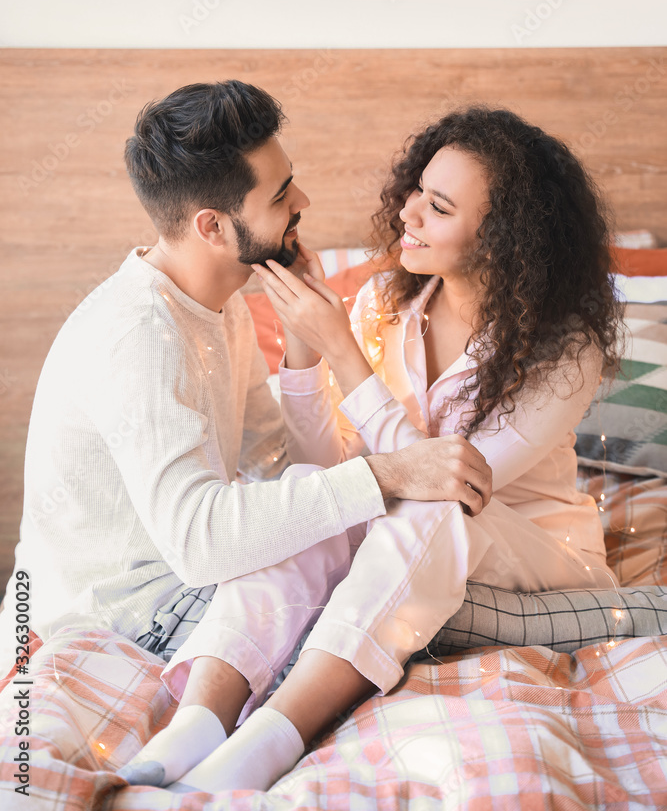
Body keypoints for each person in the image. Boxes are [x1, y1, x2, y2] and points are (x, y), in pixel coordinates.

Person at [0, 80, 491, 779]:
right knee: (385, 566)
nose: (302, 205)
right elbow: (203, 544)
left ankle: (214, 733)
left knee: (354, 532)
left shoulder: (218, 300)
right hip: (122, 613)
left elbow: (276, 464)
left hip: (180, 586)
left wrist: (303, 350)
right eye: (281, 194)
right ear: (211, 225)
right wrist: (387, 475)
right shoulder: (137, 335)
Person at [126, 105, 622, 796]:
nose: (408, 215)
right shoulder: (388, 304)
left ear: (504, 237)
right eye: (415, 191)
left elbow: (457, 483)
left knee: (432, 508)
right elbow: (331, 470)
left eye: (438, 207)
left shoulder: (567, 349)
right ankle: (201, 718)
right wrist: (304, 346)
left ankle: (276, 734)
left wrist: (342, 353)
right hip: (426, 535)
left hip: (537, 553)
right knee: (309, 500)